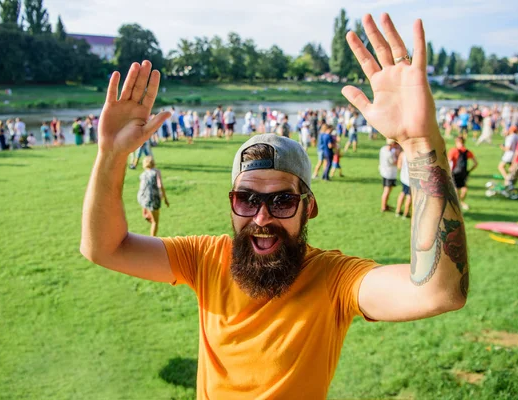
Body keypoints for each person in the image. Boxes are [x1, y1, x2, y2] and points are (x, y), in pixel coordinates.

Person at [81, 15, 468, 397]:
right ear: (232, 204)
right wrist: (110, 155)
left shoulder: (335, 280)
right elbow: (104, 248)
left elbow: (438, 291)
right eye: (246, 199)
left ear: (309, 207)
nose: (261, 217)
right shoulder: (204, 259)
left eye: (281, 200)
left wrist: (419, 144)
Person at [137, 155, 169, 236]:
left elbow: (142, 188)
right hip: (154, 199)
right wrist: (165, 198)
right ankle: (152, 240)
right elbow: (160, 185)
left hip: (143, 198)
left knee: (150, 216)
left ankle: (146, 213)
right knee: (155, 222)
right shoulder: (156, 172)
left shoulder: (142, 174)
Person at [447, 137, 478, 211]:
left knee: (456, 189)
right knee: (464, 189)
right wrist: (469, 171)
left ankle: (458, 204)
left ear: (456, 142)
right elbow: (476, 163)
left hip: (454, 172)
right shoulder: (467, 151)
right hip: (464, 173)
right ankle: (461, 202)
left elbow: (449, 162)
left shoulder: (453, 151)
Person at [379, 139, 400, 212]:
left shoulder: (383, 149)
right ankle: (383, 206)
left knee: (385, 190)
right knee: (387, 191)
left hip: (383, 172)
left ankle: (385, 204)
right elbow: (395, 163)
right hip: (389, 174)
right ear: (393, 144)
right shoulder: (389, 154)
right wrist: (398, 156)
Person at [395, 152, 411, 218]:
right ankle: (405, 214)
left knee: (403, 192)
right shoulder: (414, 154)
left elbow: (399, 166)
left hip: (403, 178)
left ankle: (397, 211)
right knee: (409, 196)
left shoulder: (402, 153)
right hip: (411, 180)